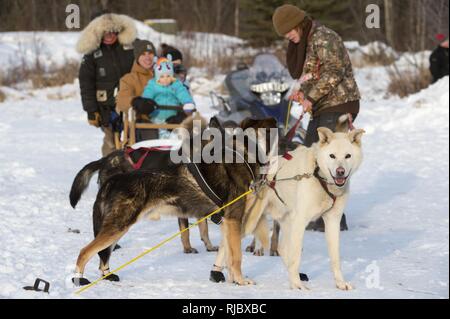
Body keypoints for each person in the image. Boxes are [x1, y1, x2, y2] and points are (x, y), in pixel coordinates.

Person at [273, 4, 361, 231]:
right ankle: (318, 212)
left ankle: (333, 218)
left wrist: (310, 96)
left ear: (298, 23)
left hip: (340, 103)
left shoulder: (324, 37)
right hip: (323, 106)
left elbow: (335, 71)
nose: (289, 36)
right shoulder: (308, 40)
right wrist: (303, 92)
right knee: (313, 157)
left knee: (330, 160)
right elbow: (316, 73)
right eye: (285, 34)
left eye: (290, 30)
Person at [77, 12, 136, 157]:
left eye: (113, 32)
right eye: (105, 32)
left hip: (132, 103)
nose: (109, 36)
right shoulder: (91, 55)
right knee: (110, 142)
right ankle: (109, 173)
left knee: (134, 139)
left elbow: (148, 57)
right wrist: (91, 110)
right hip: (106, 107)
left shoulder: (131, 47)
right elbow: (86, 83)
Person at [116, 39, 160, 141]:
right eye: (143, 54)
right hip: (142, 122)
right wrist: (135, 101)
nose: (147, 57)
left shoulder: (165, 76)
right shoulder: (129, 79)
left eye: (150, 53)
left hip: (168, 119)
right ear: (137, 57)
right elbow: (121, 100)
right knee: (149, 132)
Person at [141, 56, 195, 138]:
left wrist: (187, 102)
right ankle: (159, 138)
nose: (165, 79)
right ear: (157, 77)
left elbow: (182, 93)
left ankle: (174, 140)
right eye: (162, 77)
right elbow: (147, 94)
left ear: (172, 75)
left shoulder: (176, 84)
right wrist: (146, 103)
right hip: (156, 116)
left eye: (168, 76)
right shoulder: (152, 85)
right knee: (156, 131)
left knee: (178, 130)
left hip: (173, 116)